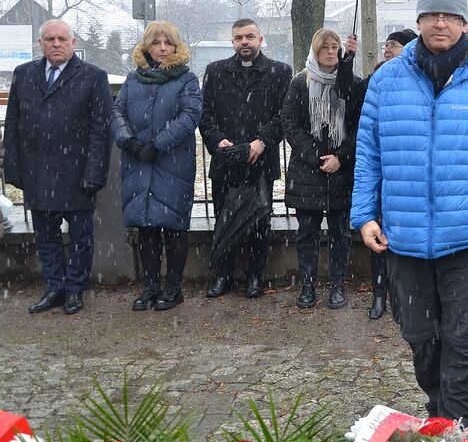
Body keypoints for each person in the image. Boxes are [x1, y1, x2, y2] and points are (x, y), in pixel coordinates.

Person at [351, 0, 468, 427]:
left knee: (466, 341)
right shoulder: (386, 81)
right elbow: (368, 153)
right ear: (418, 19)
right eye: (432, 14)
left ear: (465, 23)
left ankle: (463, 435)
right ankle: (440, 413)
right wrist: (363, 213)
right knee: (421, 338)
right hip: (404, 238)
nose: (440, 24)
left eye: (450, 15)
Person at [4, 19, 113, 315]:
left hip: (77, 173)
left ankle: (76, 289)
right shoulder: (23, 74)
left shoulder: (93, 76)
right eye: (50, 39)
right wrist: (12, 168)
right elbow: (12, 123)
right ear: (40, 44)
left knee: (80, 236)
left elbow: (100, 131)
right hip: (37, 173)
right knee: (46, 237)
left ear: (73, 42)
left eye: (62, 39)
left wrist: (94, 172)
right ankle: (54, 288)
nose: (56, 44)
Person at [111, 21, 202, 311]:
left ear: (176, 46)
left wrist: (158, 143)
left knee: (174, 226)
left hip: (172, 164)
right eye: (156, 43)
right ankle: (150, 285)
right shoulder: (133, 79)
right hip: (138, 163)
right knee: (146, 227)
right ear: (146, 46)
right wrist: (129, 141)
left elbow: (190, 116)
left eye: (168, 43)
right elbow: (117, 112)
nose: (162, 48)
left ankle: (173, 286)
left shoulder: (186, 80)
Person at [200, 18, 292, 299]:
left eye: (249, 36)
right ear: (232, 42)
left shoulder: (279, 72)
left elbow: (283, 115)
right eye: (238, 37)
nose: (244, 42)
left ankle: (255, 276)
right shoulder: (215, 72)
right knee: (223, 220)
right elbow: (205, 114)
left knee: (259, 224)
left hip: (260, 162)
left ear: (260, 39)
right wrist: (217, 141)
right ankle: (222, 275)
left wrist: (262, 141)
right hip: (225, 162)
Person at [281, 28, 363, 310]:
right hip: (308, 172)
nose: (330, 52)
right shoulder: (300, 83)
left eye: (335, 47)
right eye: (324, 47)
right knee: (307, 232)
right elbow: (291, 124)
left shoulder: (350, 83)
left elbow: (359, 127)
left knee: (340, 233)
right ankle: (307, 284)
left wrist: (341, 157)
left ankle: (338, 284)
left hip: (341, 171)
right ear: (315, 51)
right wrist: (317, 156)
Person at [339, 27, 418, 320]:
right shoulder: (378, 79)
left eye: (393, 45)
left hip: (407, 173)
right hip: (381, 170)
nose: (387, 49)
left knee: (403, 239)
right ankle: (379, 294)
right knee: (378, 236)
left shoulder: (416, 82)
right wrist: (348, 58)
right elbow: (346, 91)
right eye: (386, 44)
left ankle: (402, 294)